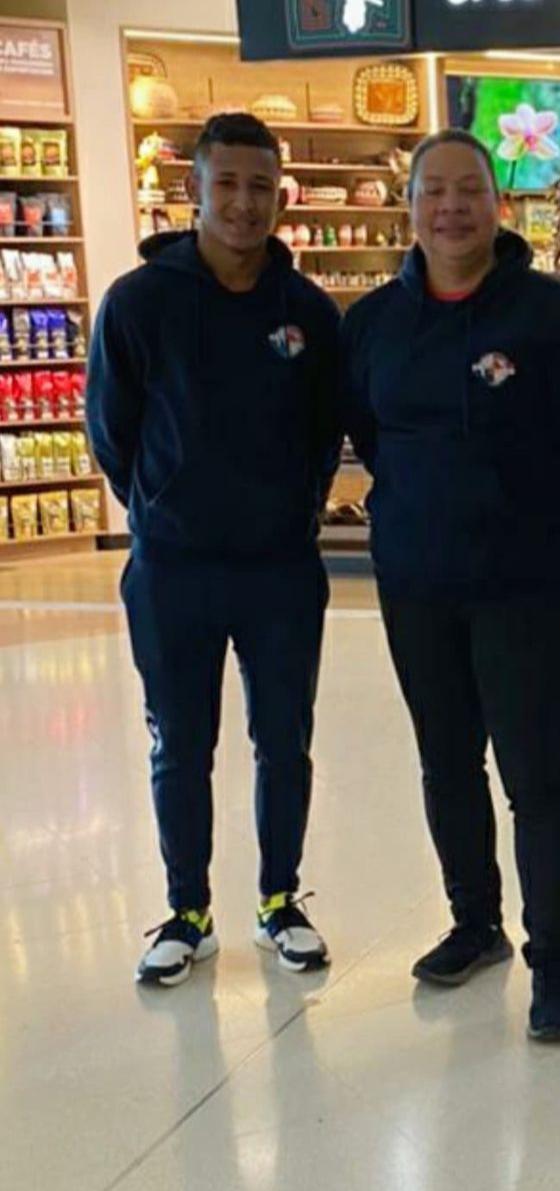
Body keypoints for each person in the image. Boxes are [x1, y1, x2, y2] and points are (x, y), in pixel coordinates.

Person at [340, 130, 560, 1042]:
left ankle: (555, 960)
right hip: (415, 585)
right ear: (411, 207)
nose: (451, 207)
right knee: (446, 763)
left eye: (469, 189)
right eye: (434, 191)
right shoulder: (373, 324)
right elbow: (371, 438)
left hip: (526, 585)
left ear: (498, 205)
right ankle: (475, 921)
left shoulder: (551, 315)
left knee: (537, 778)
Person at [87, 113, 341, 986]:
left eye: (260, 186)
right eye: (225, 184)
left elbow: (324, 433)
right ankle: (186, 911)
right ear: (193, 190)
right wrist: (163, 507)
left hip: (280, 569)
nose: (242, 203)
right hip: (173, 569)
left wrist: (294, 508)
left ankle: (279, 901)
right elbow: (112, 431)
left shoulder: (307, 312)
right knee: (179, 744)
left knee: (285, 741)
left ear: (281, 197)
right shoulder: (138, 303)